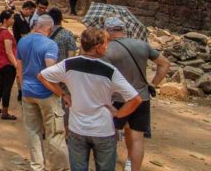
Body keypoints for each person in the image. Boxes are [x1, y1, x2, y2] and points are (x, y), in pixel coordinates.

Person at [40, 28, 143, 171]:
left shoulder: (69, 64)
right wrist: (118, 114)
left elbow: (43, 76)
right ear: (98, 47)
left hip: (77, 128)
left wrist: (63, 94)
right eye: (106, 44)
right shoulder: (109, 71)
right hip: (103, 129)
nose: (107, 47)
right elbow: (136, 99)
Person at [104, 17, 171, 171]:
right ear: (124, 30)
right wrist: (153, 84)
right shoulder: (142, 45)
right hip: (141, 97)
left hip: (116, 99)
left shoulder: (107, 49)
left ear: (108, 31)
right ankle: (132, 166)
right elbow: (165, 64)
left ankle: (108, 165)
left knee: (109, 135)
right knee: (137, 138)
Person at [17, 14, 68, 171]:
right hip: (47, 93)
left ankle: (37, 166)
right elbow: (50, 71)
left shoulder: (23, 41)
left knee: (33, 131)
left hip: (28, 91)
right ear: (49, 28)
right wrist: (61, 92)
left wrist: (21, 87)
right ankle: (58, 168)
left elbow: (19, 68)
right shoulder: (50, 45)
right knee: (55, 133)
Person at [0, 10, 19, 120]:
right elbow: (9, 52)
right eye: (11, 19)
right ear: (5, 20)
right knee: (7, 87)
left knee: (0, 84)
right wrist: (16, 65)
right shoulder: (6, 34)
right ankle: (5, 111)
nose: (13, 21)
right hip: (8, 64)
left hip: (0, 62)